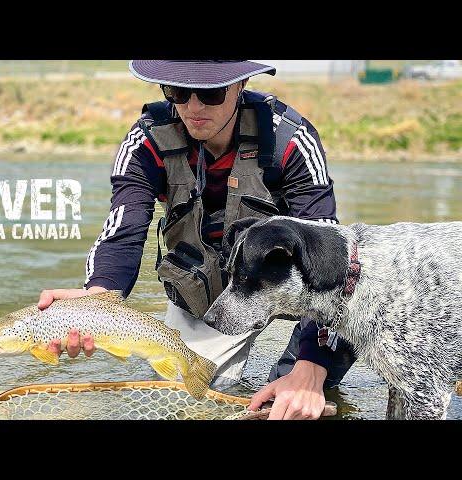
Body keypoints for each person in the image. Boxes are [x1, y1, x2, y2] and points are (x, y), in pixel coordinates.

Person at [37, 60, 356, 420]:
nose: (192, 107)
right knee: (192, 398)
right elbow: (123, 233)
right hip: (206, 292)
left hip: (289, 288)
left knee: (296, 401)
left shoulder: (290, 141)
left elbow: (337, 265)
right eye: (177, 91)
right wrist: (97, 300)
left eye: (209, 92)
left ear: (241, 84)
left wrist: (310, 367)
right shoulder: (147, 142)